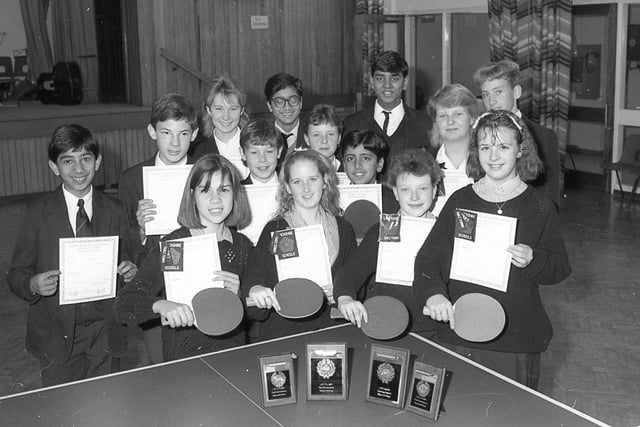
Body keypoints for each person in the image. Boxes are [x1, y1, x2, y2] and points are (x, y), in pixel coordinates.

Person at [413, 110, 571, 389]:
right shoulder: (460, 200)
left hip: (516, 336)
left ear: (521, 149)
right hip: (460, 330)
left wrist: (535, 259)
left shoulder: (540, 206)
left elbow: (560, 267)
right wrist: (434, 294)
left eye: (503, 146)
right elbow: (428, 258)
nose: (494, 156)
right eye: (485, 147)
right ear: (476, 151)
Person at [6, 124, 137, 386]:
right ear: (54, 167)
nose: (79, 170)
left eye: (86, 159)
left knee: (107, 402)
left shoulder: (115, 209)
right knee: (64, 410)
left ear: (97, 162)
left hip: (104, 330)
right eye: (68, 161)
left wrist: (130, 272)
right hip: (57, 335)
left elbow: (128, 262)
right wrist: (32, 284)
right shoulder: (38, 213)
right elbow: (16, 274)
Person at [114, 154, 253, 362]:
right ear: (192, 194)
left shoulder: (242, 245)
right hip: (185, 360)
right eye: (205, 190)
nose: (215, 199)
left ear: (235, 194)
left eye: (224, 190)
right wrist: (161, 305)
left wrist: (240, 296)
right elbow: (124, 305)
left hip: (232, 356)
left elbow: (255, 314)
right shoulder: (175, 246)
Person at [117, 92, 199, 364]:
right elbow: (123, 242)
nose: (175, 143)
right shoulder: (132, 178)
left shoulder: (204, 173)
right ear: (152, 131)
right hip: (155, 286)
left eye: (183, 133)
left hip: (197, 276)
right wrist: (140, 229)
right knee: (162, 363)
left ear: (194, 133)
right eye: (166, 132)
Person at [245, 149, 356, 342]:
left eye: (312, 179)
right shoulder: (277, 229)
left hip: (333, 332)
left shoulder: (343, 229)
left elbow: (356, 281)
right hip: (286, 333)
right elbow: (256, 275)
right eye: (297, 181)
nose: (306, 188)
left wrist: (341, 291)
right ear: (288, 187)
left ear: (325, 181)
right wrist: (255, 289)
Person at [334, 148, 443, 338]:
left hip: (431, 331)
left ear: (434, 190)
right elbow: (351, 272)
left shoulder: (444, 233)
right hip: (383, 326)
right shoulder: (382, 229)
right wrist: (344, 298)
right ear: (395, 193)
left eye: (422, 188)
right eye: (406, 189)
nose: (414, 197)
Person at [473, 59, 561, 208]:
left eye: (498, 92)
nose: (491, 101)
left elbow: (550, 197)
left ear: (516, 92)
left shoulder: (543, 137)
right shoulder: (478, 135)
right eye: (486, 95)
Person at [343, 50, 431, 165]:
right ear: (371, 81)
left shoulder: (425, 123)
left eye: (394, 79)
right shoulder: (352, 124)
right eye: (380, 78)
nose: (387, 86)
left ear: (405, 82)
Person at [426, 83, 480, 216]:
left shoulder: (489, 162)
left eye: (457, 114)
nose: (450, 122)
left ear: (472, 118)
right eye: (443, 116)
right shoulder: (423, 162)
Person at [191, 74, 250, 178]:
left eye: (233, 109)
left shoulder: (257, 145)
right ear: (209, 110)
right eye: (219, 109)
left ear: (242, 110)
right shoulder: (198, 153)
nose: (226, 117)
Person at [339, 129, 399, 214]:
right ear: (344, 165)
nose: (357, 165)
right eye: (350, 159)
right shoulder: (333, 201)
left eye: (365, 158)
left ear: (380, 164)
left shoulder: (395, 201)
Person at [264, 72, 308, 162]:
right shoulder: (262, 137)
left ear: (301, 102)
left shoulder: (313, 134)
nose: (287, 107)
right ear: (269, 105)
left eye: (293, 100)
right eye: (279, 101)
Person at [239, 118, 284, 185]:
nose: (262, 159)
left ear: (279, 151)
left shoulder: (291, 189)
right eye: (254, 152)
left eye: (269, 151)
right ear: (242, 153)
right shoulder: (235, 192)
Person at [304, 104, 342, 171]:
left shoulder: (349, 172)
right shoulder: (297, 172)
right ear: (307, 139)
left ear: (339, 138)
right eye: (316, 135)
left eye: (331, 134)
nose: (324, 141)